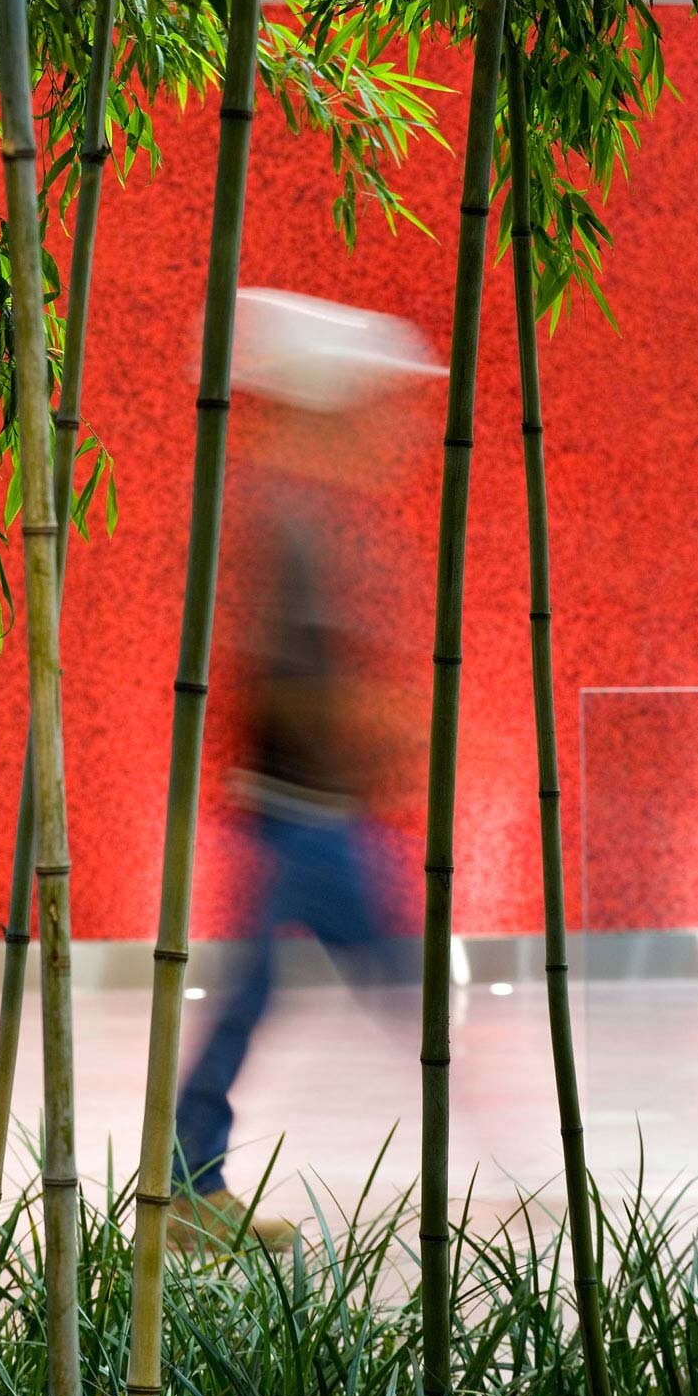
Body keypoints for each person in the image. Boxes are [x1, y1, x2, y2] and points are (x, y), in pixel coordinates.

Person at [168, 290, 443, 1253]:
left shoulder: (303, 510)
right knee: (402, 991)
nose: (394, 427)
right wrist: (378, 726)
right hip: (301, 811)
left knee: (267, 993)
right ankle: (524, 1169)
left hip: (308, 808)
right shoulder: (287, 514)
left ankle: (186, 1184)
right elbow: (279, 677)